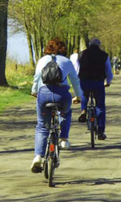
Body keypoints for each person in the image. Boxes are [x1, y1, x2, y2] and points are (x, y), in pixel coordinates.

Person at [30, 37, 82, 173]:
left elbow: (36, 78)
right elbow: (75, 81)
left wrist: (34, 91)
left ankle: (38, 157)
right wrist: (78, 96)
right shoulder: (67, 61)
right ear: (63, 49)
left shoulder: (42, 60)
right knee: (66, 112)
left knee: (42, 126)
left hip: (44, 94)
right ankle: (64, 139)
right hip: (62, 95)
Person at [77, 38, 113, 140]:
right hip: (98, 82)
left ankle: (83, 110)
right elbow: (109, 71)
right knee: (100, 106)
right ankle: (101, 132)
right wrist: (108, 81)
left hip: (84, 81)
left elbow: (77, 69)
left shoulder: (81, 55)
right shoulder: (104, 55)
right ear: (99, 45)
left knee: (84, 94)